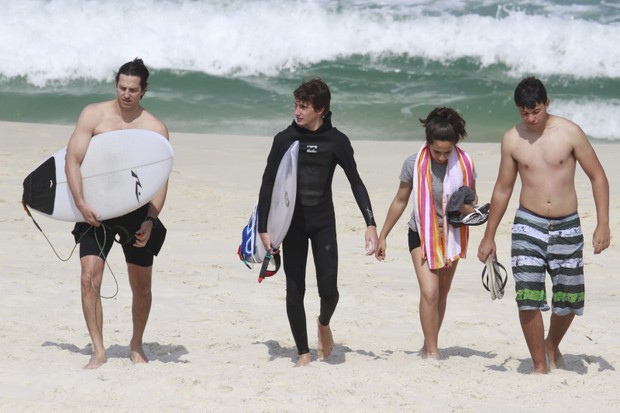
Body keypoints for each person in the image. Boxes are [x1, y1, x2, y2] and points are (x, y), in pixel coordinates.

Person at [477, 77, 610, 374]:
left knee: (570, 297)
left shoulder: (570, 133)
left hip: (567, 224)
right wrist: (489, 236)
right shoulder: (512, 139)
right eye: (524, 113)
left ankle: (551, 345)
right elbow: (502, 188)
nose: (531, 118)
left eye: (535, 111)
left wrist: (603, 224)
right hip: (528, 222)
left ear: (547, 104)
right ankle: (540, 366)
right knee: (527, 295)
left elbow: (598, 176)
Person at [257, 78, 378, 367]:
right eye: (296, 105)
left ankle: (323, 323)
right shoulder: (285, 139)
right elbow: (267, 183)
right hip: (293, 225)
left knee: (329, 290)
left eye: (304, 107)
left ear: (321, 109)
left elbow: (356, 182)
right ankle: (303, 352)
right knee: (294, 287)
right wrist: (264, 227)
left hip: (323, 222)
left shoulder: (336, 141)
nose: (297, 112)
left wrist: (370, 223)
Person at [65, 58, 170, 369]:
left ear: (143, 91)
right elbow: (73, 160)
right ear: (116, 86)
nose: (126, 94)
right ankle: (99, 350)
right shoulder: (93, 116)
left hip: (136, 212)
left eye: (133, 90)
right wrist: (81, 203)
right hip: (94, 209)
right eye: (122, 87)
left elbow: (160, 180)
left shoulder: (154, 128)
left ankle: (136, 344)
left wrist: (150, 220)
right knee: (88, 278)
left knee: (142, 287)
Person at [376, 107, 478, 360]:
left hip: (452, 235)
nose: (442, 158)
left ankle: (428, 344)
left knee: (442, 294)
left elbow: (471, 202)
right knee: (429, 292)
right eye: (437, 152)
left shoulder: (465, 164)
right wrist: (383, 235)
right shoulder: (413, 163)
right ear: (427, 143)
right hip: (420, 232)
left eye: (447, 152)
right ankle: (433, 353)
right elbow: (400, 200)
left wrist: (466, 210)